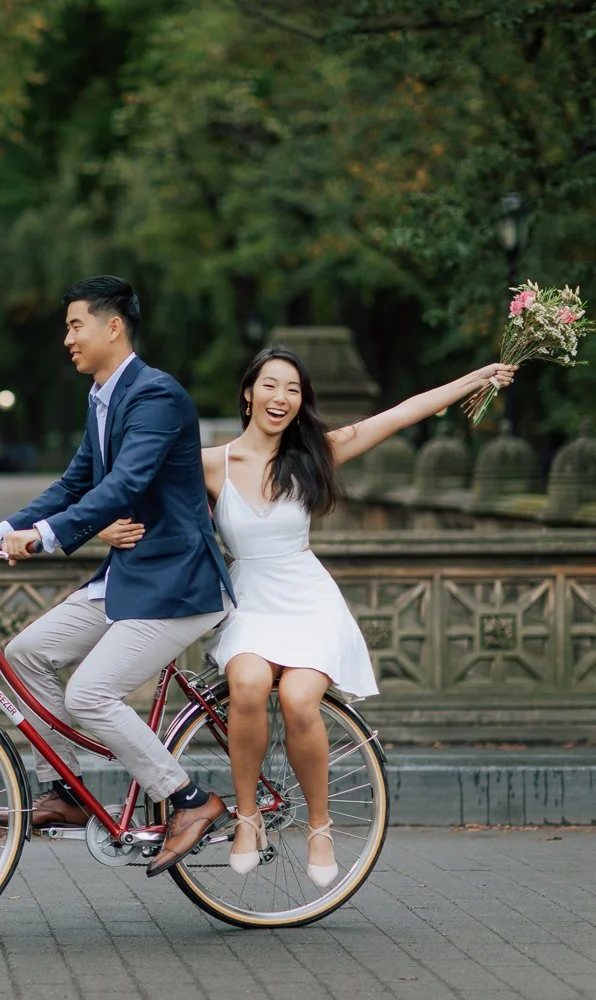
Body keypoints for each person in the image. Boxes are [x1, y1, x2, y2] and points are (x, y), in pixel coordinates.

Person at [188, 346, 516, 886]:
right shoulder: (210, 463)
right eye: (271, 386)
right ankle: (247, 817)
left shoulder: (315, 452)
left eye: (293, 389)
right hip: (251, 601)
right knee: (245, 684)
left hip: (309, 602)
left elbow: (402, 412)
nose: (282, 398)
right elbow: (141, 486)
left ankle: (320, 825)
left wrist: (474, 379)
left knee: (297, 698)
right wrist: (98, 529)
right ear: (248, 393)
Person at [0, 275, 237, 878]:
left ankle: (189, 800)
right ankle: (65, 788)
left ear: (112, 326)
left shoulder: (156, 396)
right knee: (25, 655)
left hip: (179, 583)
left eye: (75, 325)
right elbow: (74, 485)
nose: (67, 339)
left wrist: (42, 537)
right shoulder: (101, 398)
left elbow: (124, 487)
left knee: (89, 693)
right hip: (129, 575)